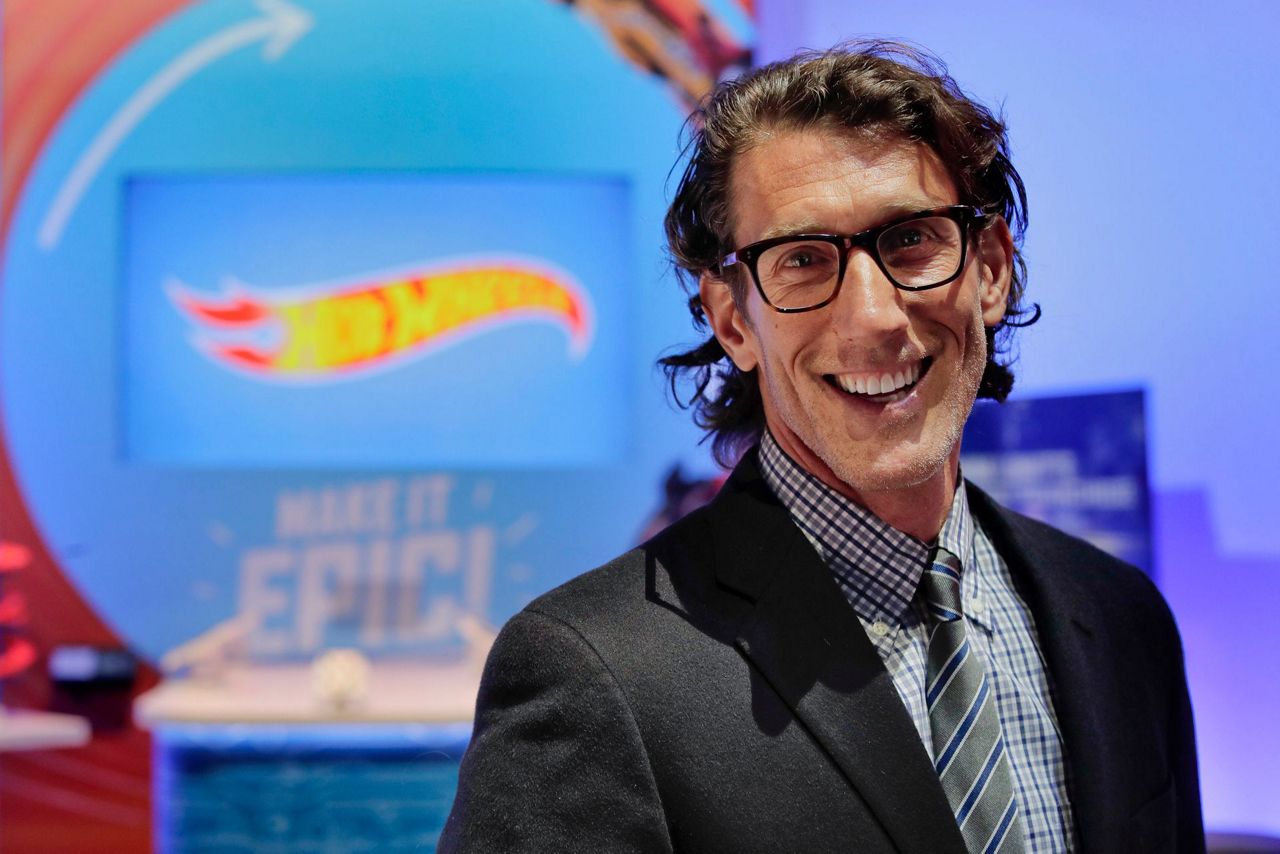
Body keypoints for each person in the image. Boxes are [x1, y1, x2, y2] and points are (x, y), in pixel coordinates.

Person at [441, 41, 1204, 853]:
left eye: (910, 240)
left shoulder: (1122, 619)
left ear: (990, 270)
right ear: (733, 320)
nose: (873, 316)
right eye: (803, 259)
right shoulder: (593, 672)